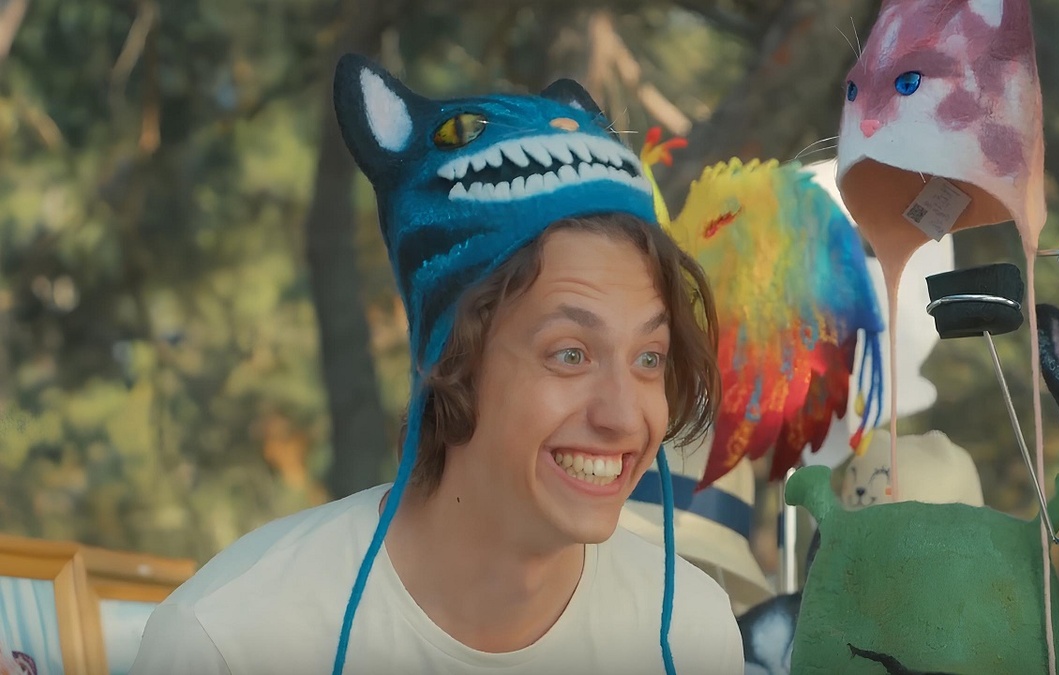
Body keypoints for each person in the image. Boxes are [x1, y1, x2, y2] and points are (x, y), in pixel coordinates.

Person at [131, 53, 744, 674]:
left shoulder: (691, 636)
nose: (623, 416)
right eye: (570, 354)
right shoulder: (232, 640)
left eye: (648, 358)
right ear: (450, 360)